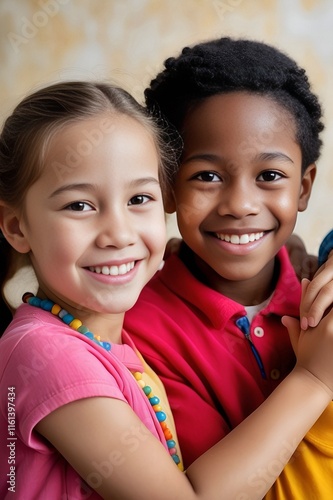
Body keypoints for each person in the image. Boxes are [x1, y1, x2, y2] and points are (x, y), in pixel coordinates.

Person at [2, 81, 333, 500]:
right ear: (16, 226)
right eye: (79, 206)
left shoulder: (98, 339)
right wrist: (314, 379)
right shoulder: (48, 356)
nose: (119, 234)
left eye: (139, 198)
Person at [124, 37, 333, 497]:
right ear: (168, 187)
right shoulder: (138, 331)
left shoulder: (318, 282)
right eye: (207, 176)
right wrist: (315, 377)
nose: (240, 205)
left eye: (270, 176)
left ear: (303, 186)